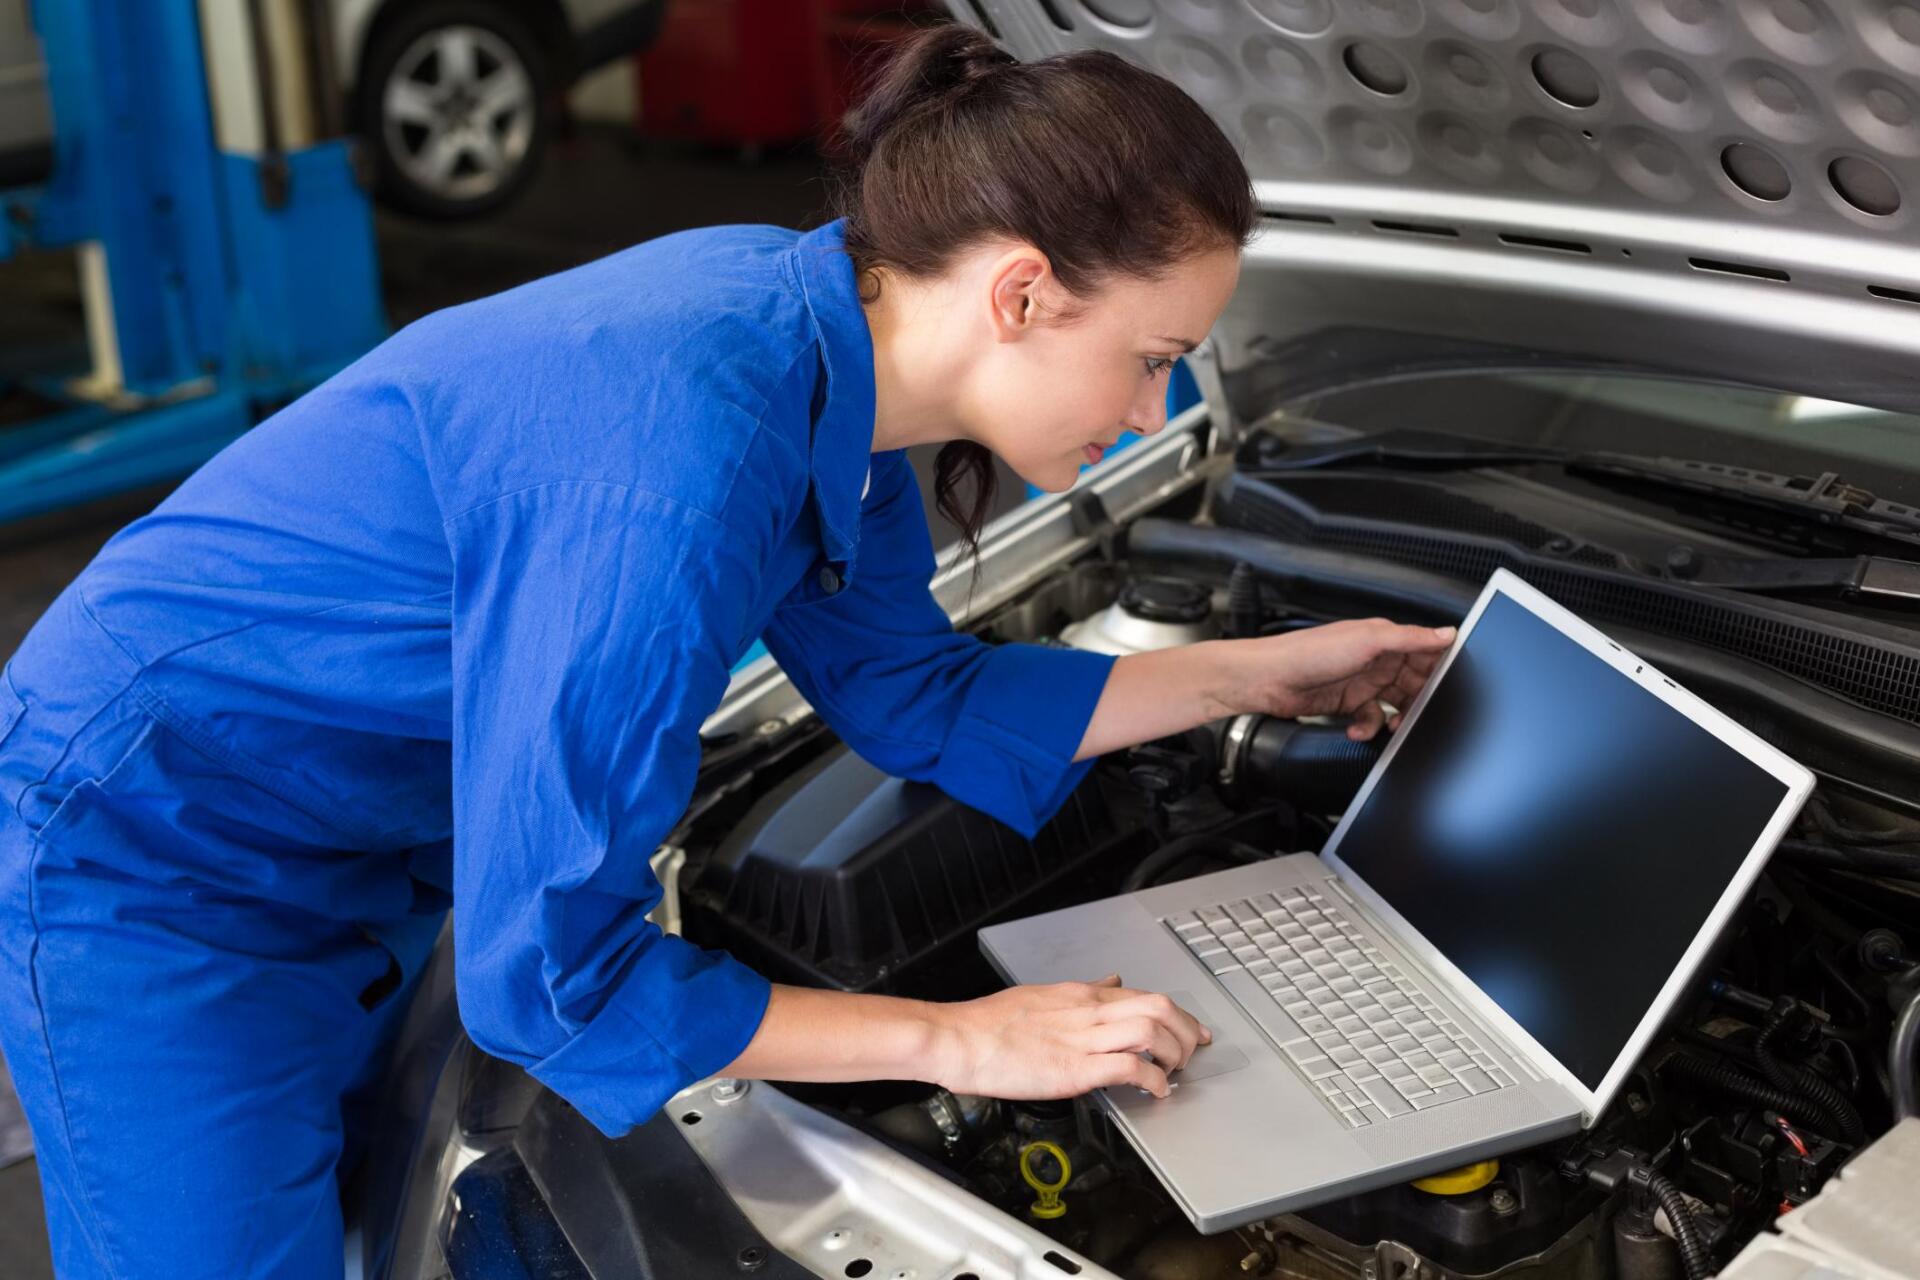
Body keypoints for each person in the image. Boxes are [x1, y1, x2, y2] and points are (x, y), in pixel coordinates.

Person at [0, 25, 1453, 1278]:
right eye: (1151, 357)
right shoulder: (680, 465)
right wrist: (961, 1043)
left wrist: (1267, 674)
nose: (1154, 412)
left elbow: (918, 693)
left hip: (357, 829)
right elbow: (552, 982)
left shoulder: (829, 365)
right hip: (158, 855)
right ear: (1020, 293)